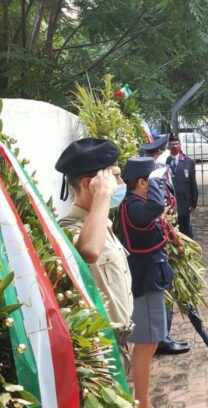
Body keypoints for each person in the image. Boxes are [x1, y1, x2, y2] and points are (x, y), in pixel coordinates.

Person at [56, 138, 136, 363]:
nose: (120, 182)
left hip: (118, 342)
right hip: (100, 348)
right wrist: (102, 195)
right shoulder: (71, 228)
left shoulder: (101, 225)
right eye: (114, 176)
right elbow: (89, 251)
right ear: (88, 183)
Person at [118, 157, 175, 408]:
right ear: (142, 183)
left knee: (149, 343)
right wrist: (155, 182)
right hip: (145, 282)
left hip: (150, 277)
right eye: (150, 183)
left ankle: (142, 400)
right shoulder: (134, 206)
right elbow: (154, 208)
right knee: (146, 344)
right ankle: (143, 403)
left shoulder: (135, 203)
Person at [139, 136, 190, 356]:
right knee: (163, 290)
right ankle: (161, 339)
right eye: (162, 152)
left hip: (167, 236)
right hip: (159, 243)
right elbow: (157, 206)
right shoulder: (151, 178)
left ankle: (164, 336)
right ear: (154, 156)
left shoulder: (162, 174)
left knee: (167, 289)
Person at [165, 132, 198, 238]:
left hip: (184, 203)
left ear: (180, 145)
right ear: (168, 146)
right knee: (173, 232)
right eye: (172, 144)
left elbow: (193, 183)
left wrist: (193, 203)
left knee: (186, 232)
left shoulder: (188, 162)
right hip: (170, 204)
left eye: (176, 143)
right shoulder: (166, 161)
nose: (174, 146)